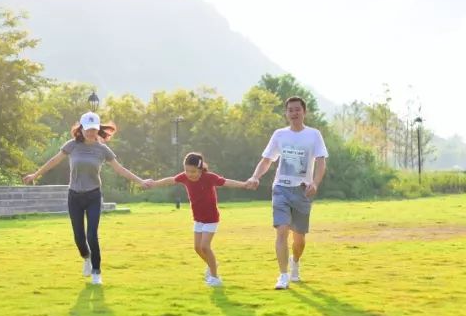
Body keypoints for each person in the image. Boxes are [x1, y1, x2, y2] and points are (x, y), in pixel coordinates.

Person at [23, 112, 146, 285]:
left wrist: (140, 181)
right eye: (88, 129)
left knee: (92, 235)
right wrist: (35, 174)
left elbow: (120, 169)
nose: (91, 133)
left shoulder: (103, 149)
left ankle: (96, 271)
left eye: (94, 129)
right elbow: (54, 161)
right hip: (74, 195)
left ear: (97, 129)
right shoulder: (72, 146)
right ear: (81, 128)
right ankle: (86, 257)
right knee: (79, 237)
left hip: (93, 195)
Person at [246, 96, 328, 290]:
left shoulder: (314, 135)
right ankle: (283, 276)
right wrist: (255, 176)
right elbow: (267, 160)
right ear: (286, 113)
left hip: (302, 191)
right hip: (281, 188)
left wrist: (315, 183)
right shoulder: (279, 135)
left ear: (304, 112)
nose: (294, 113)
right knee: (281, 231)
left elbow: (321, 161)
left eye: (297, 109)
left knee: (299, 239)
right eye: (290, 110)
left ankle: (295, 262)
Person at [144, 152, 249, 287]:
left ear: (200, 169)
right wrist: (154, 183)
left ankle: (215, 278)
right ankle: (212, 265)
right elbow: (170, 180)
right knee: (197, 248)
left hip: (211, 218)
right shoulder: (184, 177)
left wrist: (244, 184)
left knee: (205, 246)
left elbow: (226, 182)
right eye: (187, 170)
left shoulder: (209, 178)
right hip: (198, 218)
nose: (190, 174)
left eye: (193, 171)